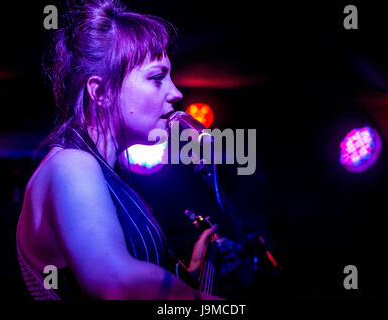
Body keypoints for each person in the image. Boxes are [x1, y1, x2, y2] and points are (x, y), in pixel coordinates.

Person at [16, 0, 246, 300]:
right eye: (156, 78)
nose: (176, 93)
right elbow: (115, 284)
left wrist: (195, 272)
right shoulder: (71, 164)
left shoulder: (105, 173)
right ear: (101, 92)